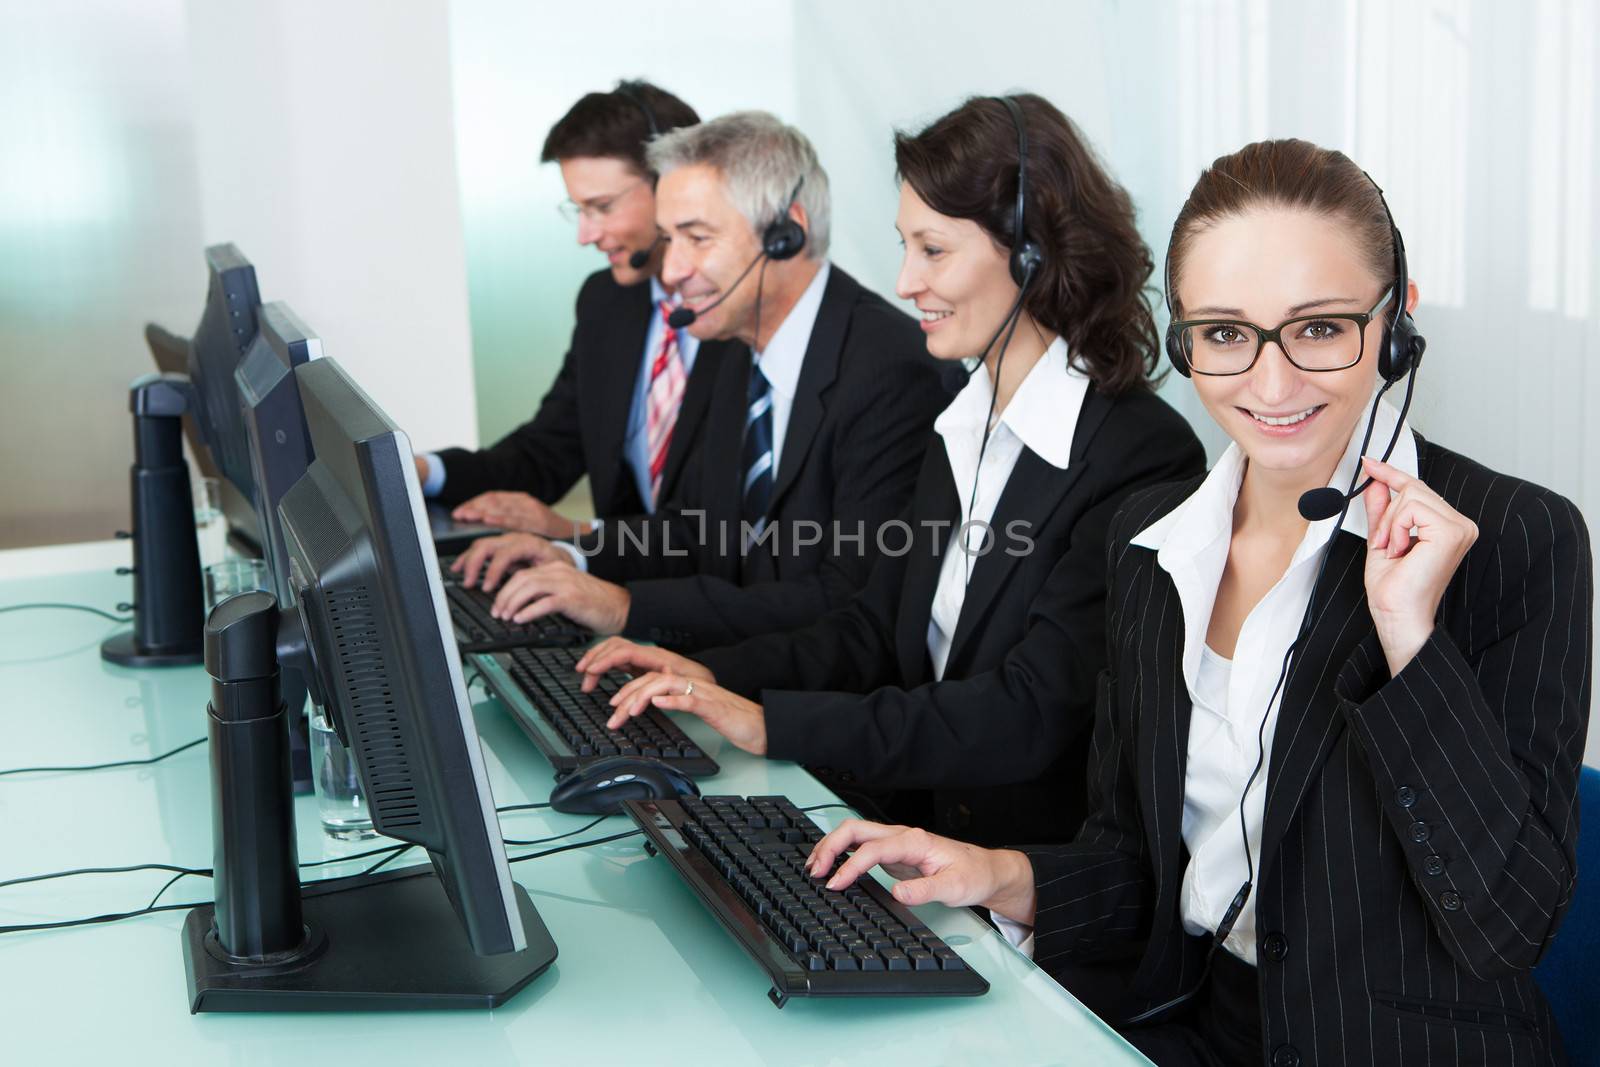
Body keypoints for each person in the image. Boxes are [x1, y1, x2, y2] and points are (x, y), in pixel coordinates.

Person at [804, 139, 1592, 1065]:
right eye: (1223, 334)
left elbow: (1507, 924)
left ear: (1397, 325)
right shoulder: (1153, 539)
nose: (1270, 382)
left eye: (1320, 328)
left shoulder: (1513, 539)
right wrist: (999, 873)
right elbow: (1140, 869)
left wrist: (1409, 638)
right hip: (1190, 1029)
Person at [573, 94, 1204, 848]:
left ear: (1033, 252)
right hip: (909, 829)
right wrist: (704, 673)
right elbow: (872, 626)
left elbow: (1026, 710)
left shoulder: (1138, 454)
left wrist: (775, 722)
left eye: (933, 251)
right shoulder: (964, 419)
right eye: (907, 248)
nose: (906, 282)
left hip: (1017, 875)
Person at [454, 112, 947, 651]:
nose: (671, 271)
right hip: (739, 673)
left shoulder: (893, 371)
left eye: (697, 237)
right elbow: (695, 531)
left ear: (787, 234)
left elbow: (845, 601)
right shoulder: (735, 345)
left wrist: (624, 608)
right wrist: (574, 555)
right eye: (669, 239)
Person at [414, 80, 734, 537]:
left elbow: (732, 530)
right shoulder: (608, 301)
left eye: (602, 207)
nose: (586, 234)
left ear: (674, 186)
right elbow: (546, 452)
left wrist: (575, 536)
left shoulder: (743, 314)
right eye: (579, 210)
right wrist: (424, 471)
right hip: (624, 584)